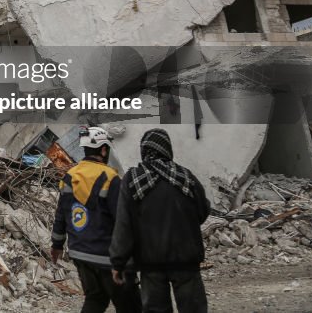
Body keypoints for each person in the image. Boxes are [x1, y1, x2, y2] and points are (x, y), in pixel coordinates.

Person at [110, 129, 210, 313]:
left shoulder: (133, 180)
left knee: (155, 309)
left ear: (144, 151)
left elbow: (124, 226)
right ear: (167, 150)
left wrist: (118, 262)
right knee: (193, 308)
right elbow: (203, 210)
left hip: (150, 264)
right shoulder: (185, 176)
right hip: (186, 260)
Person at [51, 126, 141, 313]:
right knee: (130, 306)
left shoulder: (70, 177)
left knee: (95, 299)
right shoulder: (110, 178)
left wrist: (57, 245)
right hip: (106, 257)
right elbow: (122, 222)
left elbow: (61, 215)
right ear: (103, 150)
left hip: (80, 254)